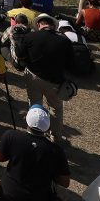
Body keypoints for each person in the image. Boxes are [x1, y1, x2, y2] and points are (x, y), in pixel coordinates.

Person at [17, 14, 74, 142]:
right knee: (56, 109)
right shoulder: (64, 41)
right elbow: (71, 65)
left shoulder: (30, 37)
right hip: (54, 81)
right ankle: (56, 137)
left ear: (39, 25)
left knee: (34, 104)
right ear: (53, 26)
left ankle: (33, 131)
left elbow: (20, 55)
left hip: (33, 76)